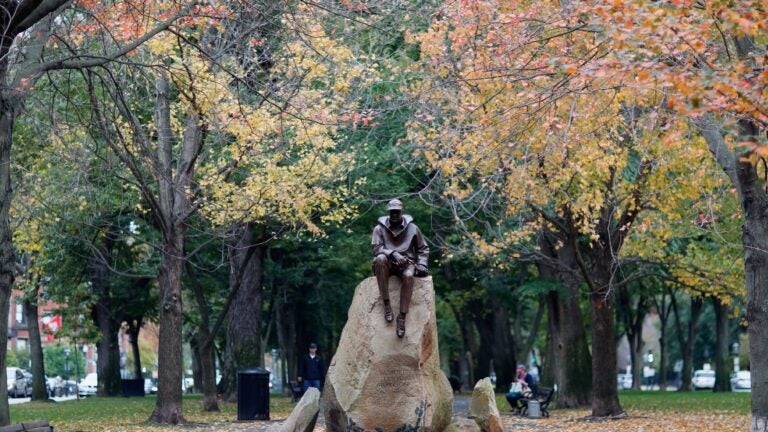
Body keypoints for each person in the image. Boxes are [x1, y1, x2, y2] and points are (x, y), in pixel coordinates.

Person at [372, 199, 429, 338]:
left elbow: (423, 248)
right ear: (388, 212)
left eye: (397, 212)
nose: (394, 215)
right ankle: (386, 305)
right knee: (379, 259)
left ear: (401, 212)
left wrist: (421, 265)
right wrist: (393, 253)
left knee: (409, 276)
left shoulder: (413, 228)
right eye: (392, 212)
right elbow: (376, 248)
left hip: (406, 263)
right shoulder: (379, 228)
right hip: (387, 263)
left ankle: (402, 317)